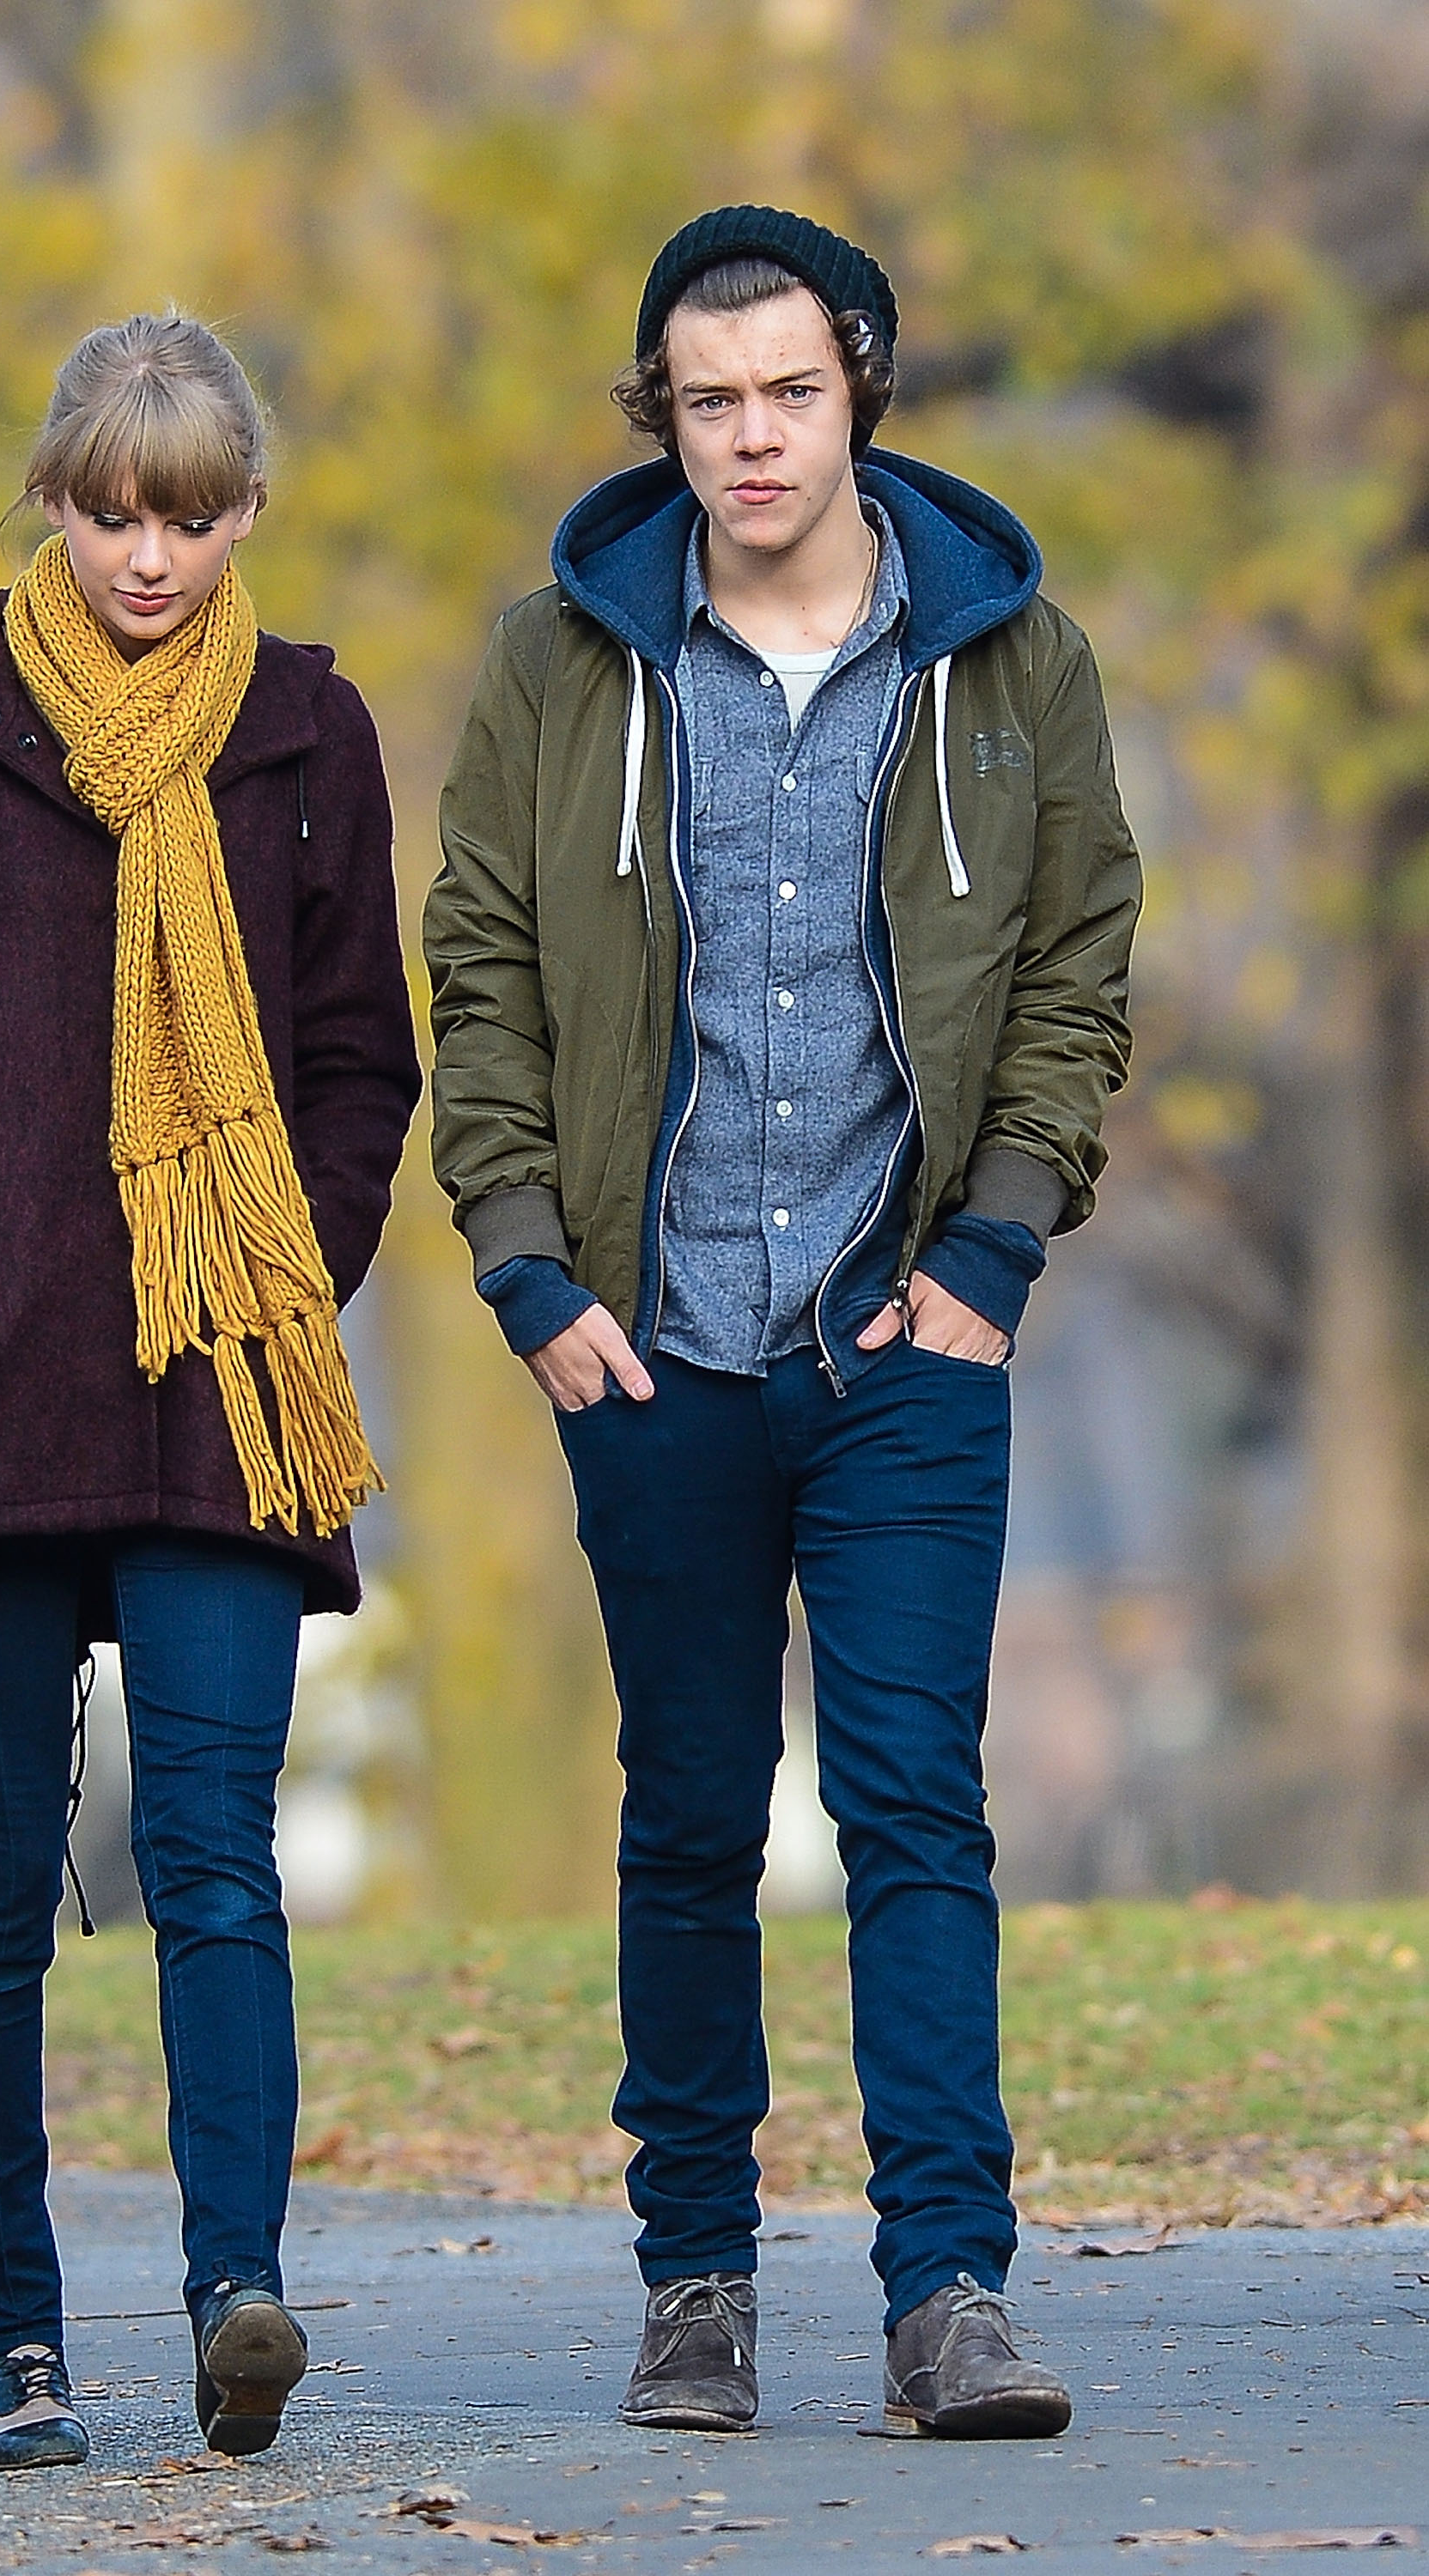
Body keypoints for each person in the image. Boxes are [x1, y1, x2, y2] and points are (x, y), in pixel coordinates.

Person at [424, 206, 1140, 2439]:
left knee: (916, 1801)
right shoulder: (560, 669)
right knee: (684, 1816)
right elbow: (478, 972)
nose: (747, 437)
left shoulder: (1005, 665)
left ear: (857, 397)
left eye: (784, 396)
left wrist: (993, 1249)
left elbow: (1071, 971)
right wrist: (530, 1267)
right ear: (663, 415)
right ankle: (695, 2287)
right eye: (706, 400)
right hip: (647, 1347)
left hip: (899, 1346)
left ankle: (948, 2297)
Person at [0, 313, 420, 2470]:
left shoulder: (307, 729)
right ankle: (10, 2349)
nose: (151, 555)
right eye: (114, 509)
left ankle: (239, 2295)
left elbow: (354, 1058)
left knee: (217, 1859)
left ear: (245, 511)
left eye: (194, 513)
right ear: (56, 496)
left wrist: (283, 1258)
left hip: (218, 1382)